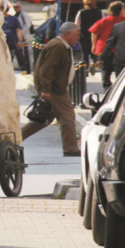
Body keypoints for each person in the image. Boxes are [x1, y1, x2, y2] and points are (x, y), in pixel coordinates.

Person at [21, 22, 82, 157]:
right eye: (77, 35)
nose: (78, 38)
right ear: (68, 34)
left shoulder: (61, 45)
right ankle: (71, 148)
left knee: (42, 120)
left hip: (55, 88)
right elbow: (46, 69)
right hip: (55, 90)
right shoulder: (58, 46)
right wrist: (46, 90)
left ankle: (13, 140)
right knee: (68, 118)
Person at [88, 1, 125, 90]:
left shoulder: (104, 20)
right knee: (120, 70)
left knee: (106, 69)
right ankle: (120, 87)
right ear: (121, 10)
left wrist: (94, 45)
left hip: (104, 48)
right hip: (120, 49)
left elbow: (94, 32)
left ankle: (107, 87)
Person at [74, 0, 103, 72]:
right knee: (94, 51)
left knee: (85, 52)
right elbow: (102, 23)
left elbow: (77, 24)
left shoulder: (81, 12)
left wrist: (77, 34)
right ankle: (94, 62)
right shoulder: (99, 12)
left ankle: (85, 68)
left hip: (84, 35)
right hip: (96, 34)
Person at [0, 0, 25, 70]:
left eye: (1, 8)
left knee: (18, 53)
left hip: (13, 41)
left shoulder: (13, 19)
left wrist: (20, 41)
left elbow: (18, 30)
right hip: (1, 42)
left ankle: (22, 66)